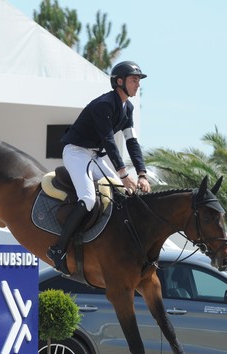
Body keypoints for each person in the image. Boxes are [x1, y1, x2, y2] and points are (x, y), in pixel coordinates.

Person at [46, 61, 152, 274]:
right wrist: (123, 173)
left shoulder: (127, 108)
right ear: (119, 81)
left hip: (95, 155)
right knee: (88, 199)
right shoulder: (104, 104)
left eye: (139, 80)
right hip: (76, 152)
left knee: (122, 193)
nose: (137, 84)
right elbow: (108, 140)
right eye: (134, 80)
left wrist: (141, 173)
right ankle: (58, 248)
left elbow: (131, 142)